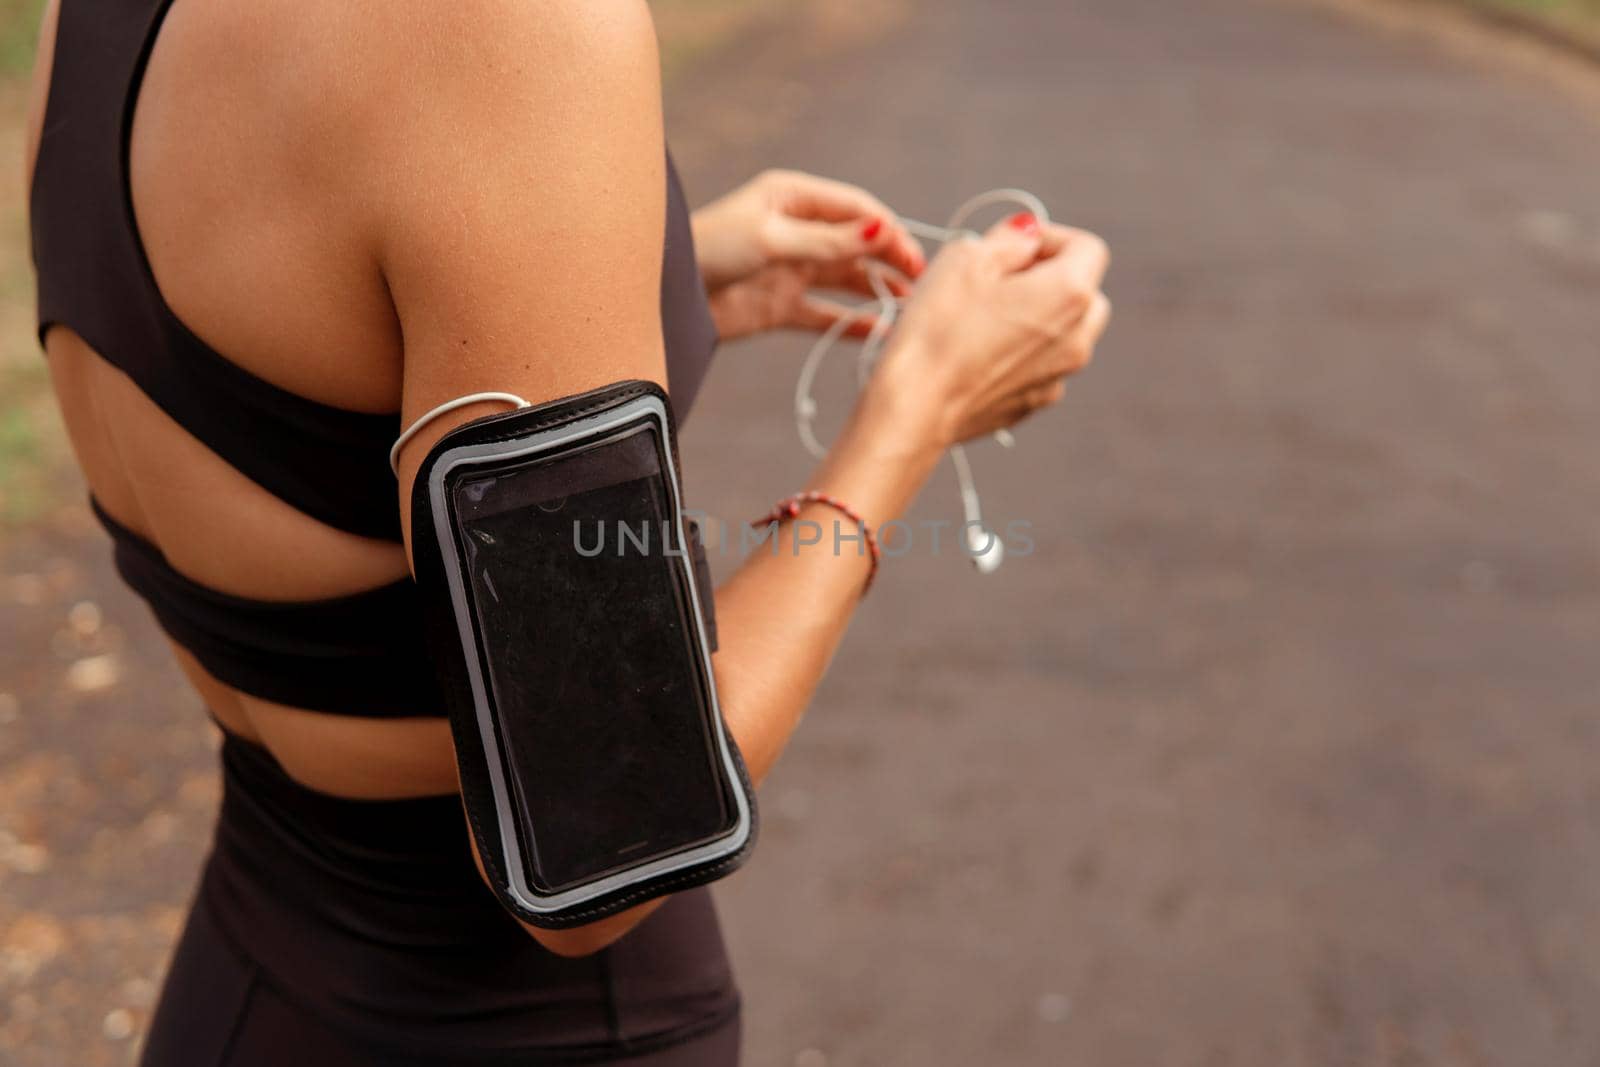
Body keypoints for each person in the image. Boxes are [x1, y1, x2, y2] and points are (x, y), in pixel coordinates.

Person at [24, 1, 1112, 1063]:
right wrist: (920, 405)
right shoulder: (514, 27)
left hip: (242, 979)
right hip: (525, 1021)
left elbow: (289, 355)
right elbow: (606, 852)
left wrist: (640, 272)